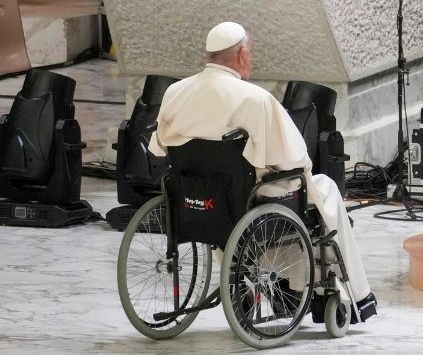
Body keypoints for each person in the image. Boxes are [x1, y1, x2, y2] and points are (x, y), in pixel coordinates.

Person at [150, 22, 377, 323]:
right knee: (322, 191)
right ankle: (351, 295)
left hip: (195, 200)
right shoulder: (254, 99)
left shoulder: (175, 92)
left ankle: (281, 286)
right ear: (242, 56)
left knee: (252, 202)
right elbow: (293, 160)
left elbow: (158, 147)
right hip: (245, 200)